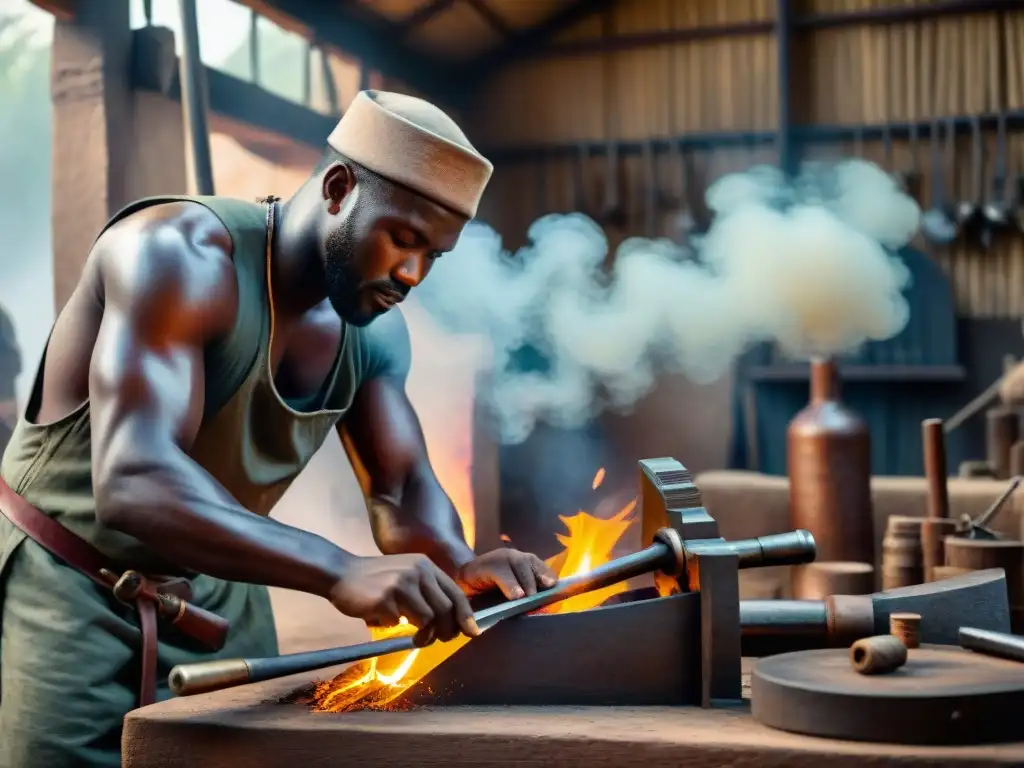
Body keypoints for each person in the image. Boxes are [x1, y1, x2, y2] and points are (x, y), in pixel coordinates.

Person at [0, 90, 557, 768]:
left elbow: (403, 489)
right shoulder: (177, 254)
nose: (412, 274)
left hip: (219, 591)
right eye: (403, 239)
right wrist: (337, 569)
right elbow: (135, 480)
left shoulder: (375, 332)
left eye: (433, 256)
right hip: (73, 584)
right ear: (338, 187)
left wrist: (461, 566)